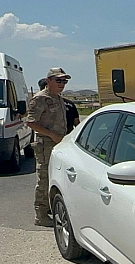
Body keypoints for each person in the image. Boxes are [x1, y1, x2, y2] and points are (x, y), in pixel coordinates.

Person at [26, 68, 70, 227]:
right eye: (58, 80)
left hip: (58, 144)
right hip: (46, 145)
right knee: (44, 178)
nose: (62, 84)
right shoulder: (40, 99)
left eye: (64, 81)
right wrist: (51, 135)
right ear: (48, 80)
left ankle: (50, 208)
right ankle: (41, 215)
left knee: (55, 177)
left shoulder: (57, 98)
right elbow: (30, 122)